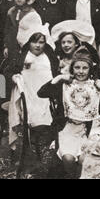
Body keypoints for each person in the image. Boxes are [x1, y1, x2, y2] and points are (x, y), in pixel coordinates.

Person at [38, 47, 100, 179]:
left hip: (88, 129)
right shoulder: (65, 85)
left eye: (84, 68)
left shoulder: (95, 86)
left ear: (90, 69)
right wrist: (58, 78)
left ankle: (80, 175)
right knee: (68, 159)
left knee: (84, 159)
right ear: (72, 69)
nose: (81, 71)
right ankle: (72, 175)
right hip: (67, 128)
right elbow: (41, 93)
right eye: (77, 67)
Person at [9, 24, 58, 167]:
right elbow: (8, 70)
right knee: (30, 116)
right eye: (34, 41)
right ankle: (29, 148)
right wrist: (14, 77)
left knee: (46, 119)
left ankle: (43, 149)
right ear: (28, 42)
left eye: (41, 42)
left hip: (45, 96)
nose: (37, 45)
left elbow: (55, 74)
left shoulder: (49, 57)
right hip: (28, 94)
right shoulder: (23, 57)